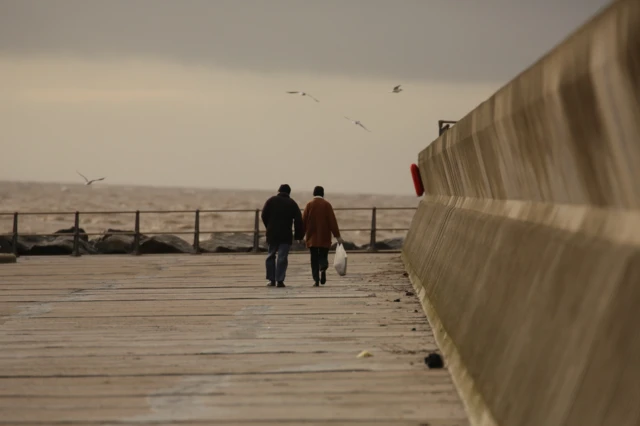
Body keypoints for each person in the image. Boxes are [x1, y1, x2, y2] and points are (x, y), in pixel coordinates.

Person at [261, 184, 304, 288]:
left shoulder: (271, 201)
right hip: (286, 234)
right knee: (282, 257)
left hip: (273, 234)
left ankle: (271, 280)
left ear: (279, 191)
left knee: (270, 255)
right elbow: (298, 220)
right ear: (289, 193)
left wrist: (268, 227)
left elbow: (263, 215)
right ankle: (280, 280)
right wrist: (298, 236)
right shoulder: (292, 203)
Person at [302, 186, 344, 287]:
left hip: (312, 237)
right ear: (323, 194)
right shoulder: (327, 205)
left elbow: (303, 221)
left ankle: (316, 280)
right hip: (324, 237)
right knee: (323, 255)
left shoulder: (309, 205)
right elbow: (332, 222)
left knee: (314, 258)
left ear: (313, 193)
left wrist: (300, 235)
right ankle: (323, 267)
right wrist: (337, 236)